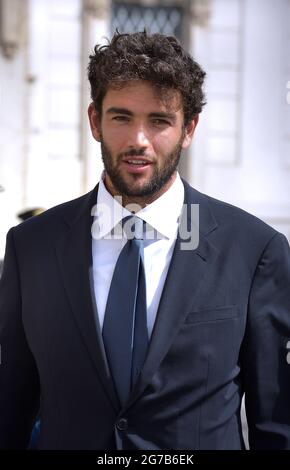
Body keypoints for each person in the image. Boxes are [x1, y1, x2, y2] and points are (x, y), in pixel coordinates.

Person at [0, 31, 290, 451]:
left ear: (188, 129)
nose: (139, 140)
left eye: (159, 121)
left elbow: (277, 428)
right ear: (95, 121)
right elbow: (11, 407)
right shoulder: (32, 248)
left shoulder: (254, 250)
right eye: (121, 117)